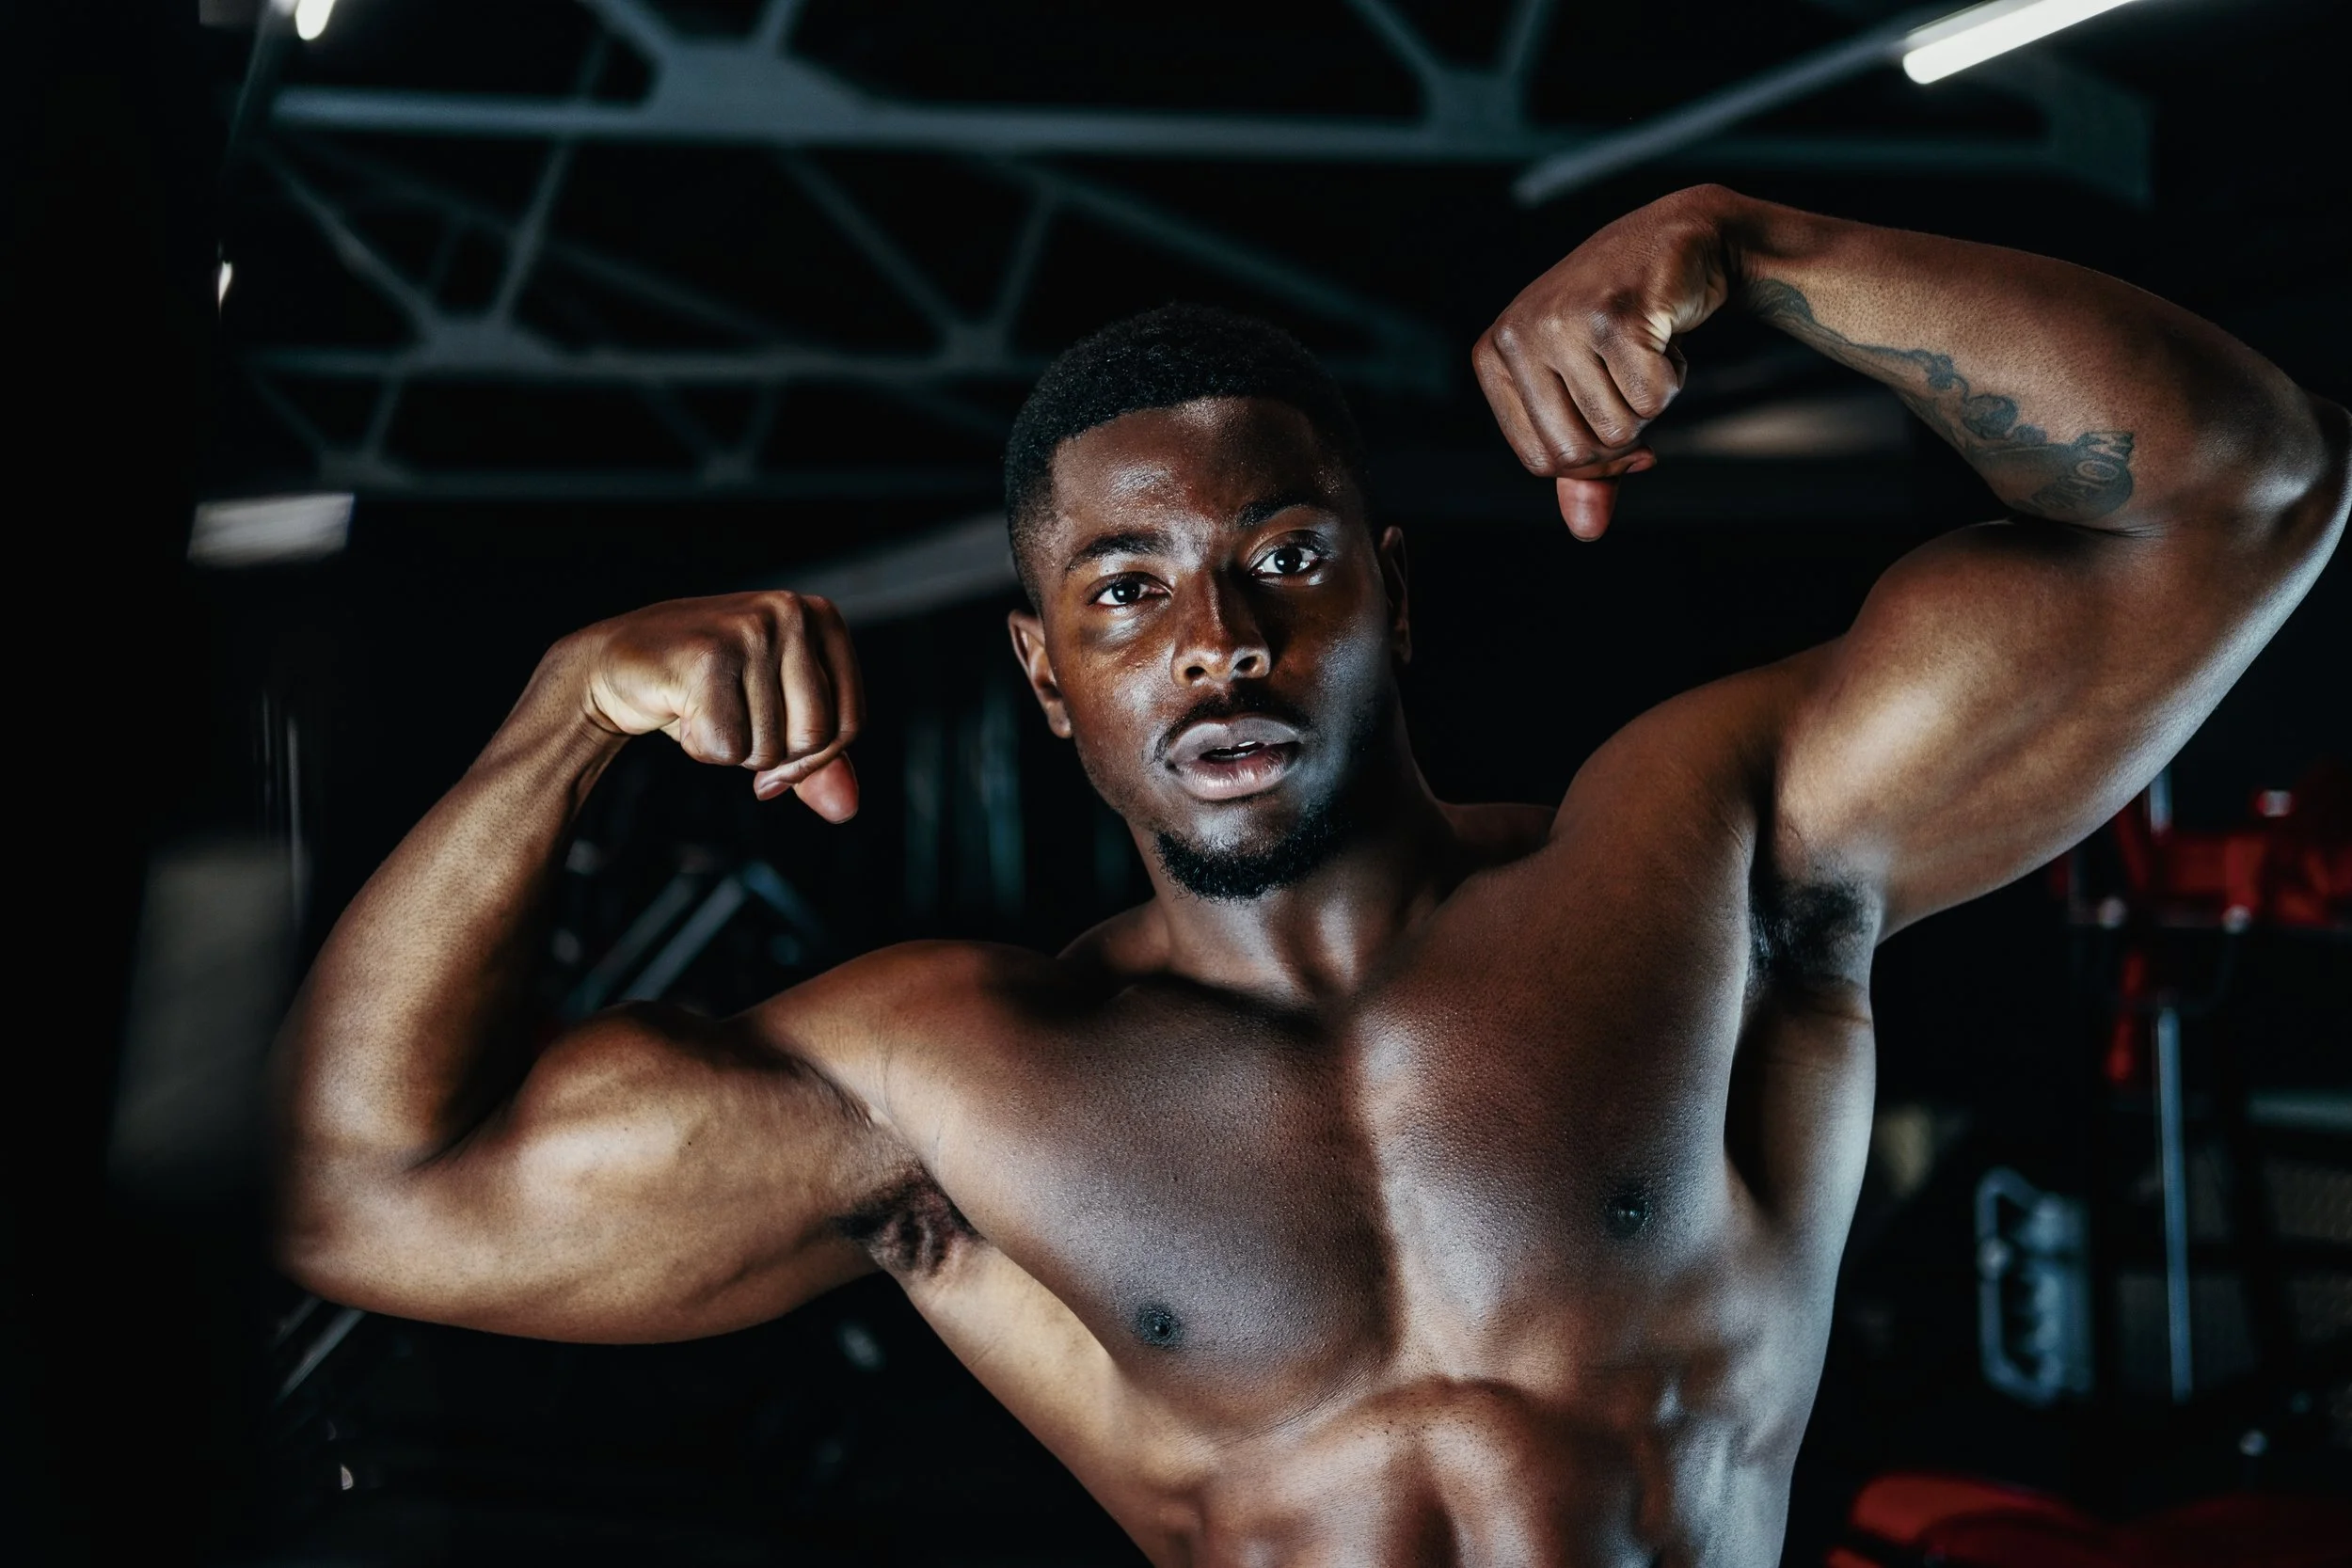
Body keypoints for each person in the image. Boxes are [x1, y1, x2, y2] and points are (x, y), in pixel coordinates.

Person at [273, 185, 2346, 1565]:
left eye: (1283, 559)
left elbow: (2237, 491)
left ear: (1390, 596)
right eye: (1127, 586)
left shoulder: (1700, 856)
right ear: (1046, 672)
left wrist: (1755, 242)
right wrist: (562, 712)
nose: (1217, 640)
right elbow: (364, 1193)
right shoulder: (950, 1083)